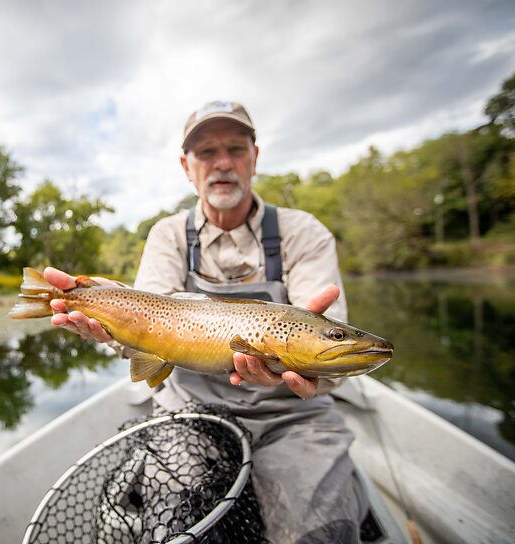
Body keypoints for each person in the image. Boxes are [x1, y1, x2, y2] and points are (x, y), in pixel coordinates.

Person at [46, 101, 366, 543]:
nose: (222, 164)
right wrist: (104, 305)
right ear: (186, 166)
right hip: (187, 411)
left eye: (235, 149)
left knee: (320, 533)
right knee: (176, 528)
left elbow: (332, 356)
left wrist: (313, 370)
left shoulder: (302, 232)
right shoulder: (168, 235)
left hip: (294, 415)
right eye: (206, 153)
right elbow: (144, 322)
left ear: (255, 157)